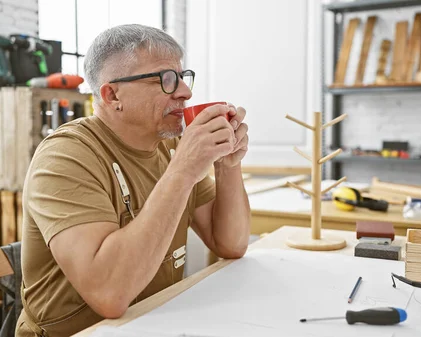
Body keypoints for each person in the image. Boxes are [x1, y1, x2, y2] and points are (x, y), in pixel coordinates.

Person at [16, 24, 251, 336]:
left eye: (183, 77)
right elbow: (109, 295)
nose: (185, 92)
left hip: (151, 322)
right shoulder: (66, 156)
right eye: (166, 80)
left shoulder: (170, 147)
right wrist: (182, 172)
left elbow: (231, 244)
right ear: (112, 94)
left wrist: (227, 164)